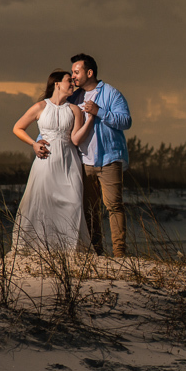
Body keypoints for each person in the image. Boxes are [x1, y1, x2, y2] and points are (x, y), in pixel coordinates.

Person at [10, 71, 93, 254]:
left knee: (73, 202)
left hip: (69, 161)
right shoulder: (40, 107)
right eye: (68, 81)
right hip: (45, 161)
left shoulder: (74, 110)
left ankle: (69, 249)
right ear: (56, 84)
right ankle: (40, 247)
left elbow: (76, 139)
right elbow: (18, 127)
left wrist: (91, 120)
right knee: (41, 202)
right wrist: (34, 144)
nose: (72, 84)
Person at [68, 53, 132, 257]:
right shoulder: (74, 97)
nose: (73, 77)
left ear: (89, 72)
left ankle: (120, 253)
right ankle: (97, 251)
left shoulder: (112, 94)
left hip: (109, 160)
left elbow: (126, 121)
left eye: (76, 72)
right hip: (84, 161)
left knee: (114, 206)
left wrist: (100, 111)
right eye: (71, 73)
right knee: (89, 209)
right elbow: (58, 120)